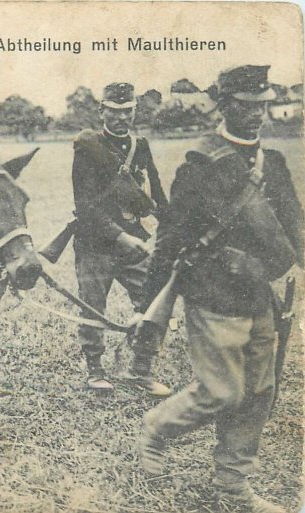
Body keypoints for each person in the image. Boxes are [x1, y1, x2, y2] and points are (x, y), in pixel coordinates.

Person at [137, 65, 303, 513]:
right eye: (246, 106)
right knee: (221, 392)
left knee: (258, 392)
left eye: (262, 105)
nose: (257, 114)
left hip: (260, 296)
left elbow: (295, 225)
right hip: (212, 294)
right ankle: (157, 427)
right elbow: (170, 237)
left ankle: (233, 485)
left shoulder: (276, 164)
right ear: (224, 105)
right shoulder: (200, 163)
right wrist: (148, 302)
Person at [71, 83, 170, 395]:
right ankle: (95, 370)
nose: (121, 118)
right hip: (95, 243)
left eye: (127, 111)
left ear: (134, 112)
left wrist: (169, 231)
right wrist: (120, 237)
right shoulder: (87, 148)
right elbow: (85, 206)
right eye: (114, 111)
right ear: (102, 111)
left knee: (156, 300)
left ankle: (140, 370)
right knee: (93, 307)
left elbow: (156, 193)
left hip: (135, 240)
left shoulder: (140, 146)